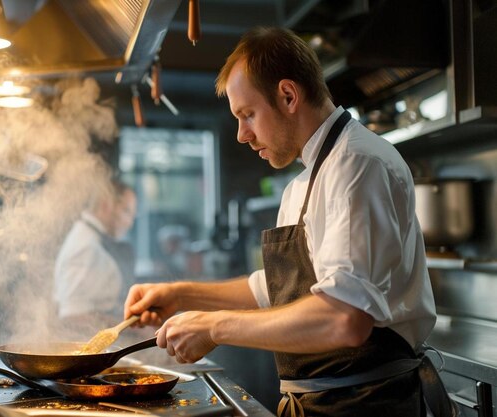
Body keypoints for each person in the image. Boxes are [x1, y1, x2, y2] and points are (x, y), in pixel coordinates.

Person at [124, 27, 441, 417]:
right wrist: (180, 295)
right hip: (316, 404)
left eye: (247, 114)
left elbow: (345, 318)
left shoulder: (358, 165)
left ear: (288, 96)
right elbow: (279, 289)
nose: (242, 135)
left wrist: (213, 327)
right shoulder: (303, 183)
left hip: (367, 404)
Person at [54, 180, 137, 322]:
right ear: (106, 204)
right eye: (126, 211)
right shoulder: (85, 247)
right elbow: (72, 316)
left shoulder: (91, 239)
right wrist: (133, 329)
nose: (129, 223)